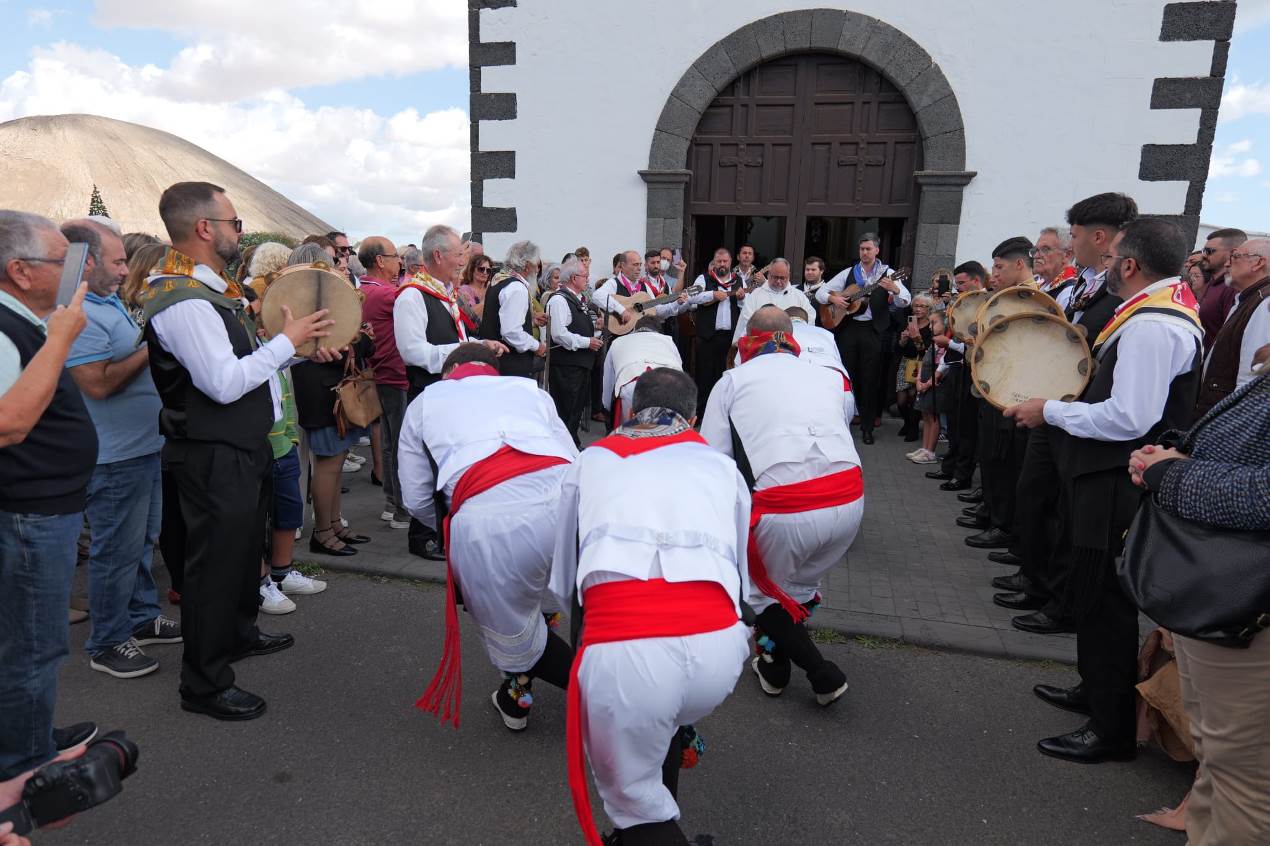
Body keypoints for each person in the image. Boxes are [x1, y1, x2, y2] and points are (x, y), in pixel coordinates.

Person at [1006, 217, 1204, 763]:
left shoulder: (1152, 325)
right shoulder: (1154, 313)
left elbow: (1130, 417)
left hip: (1115, 482)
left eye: (1114, 255)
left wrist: (1049, 410)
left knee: (1104, 601)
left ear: (1131, 264)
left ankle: (1111, 727)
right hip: (1105, 478)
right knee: (1092, 594)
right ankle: (1095, 690)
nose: (1106, 263)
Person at [141, 181, 333, 721]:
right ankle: (202, 683)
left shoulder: (210, 290)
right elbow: (224, 384)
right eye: (235, 223)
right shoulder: (181, 300)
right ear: (206, 229)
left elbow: (252, 366)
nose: (239, 232)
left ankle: (240, 634)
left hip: (239, 445)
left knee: (242, 551)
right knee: (213, 568)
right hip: (212, 451)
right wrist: (286, 344)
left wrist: (298, 355)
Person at [550, 366, 751, 845]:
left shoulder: (588, 461)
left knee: (634, 805)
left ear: (627, 409)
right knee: (663, 718)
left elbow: (563, 578)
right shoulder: (721, 466)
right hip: (719, 649)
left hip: (624, 652)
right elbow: (741, 569)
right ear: (695, 416)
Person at [399, 343, 577, 732]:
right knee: (543, 598)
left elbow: (414, 497)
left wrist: (455, 527)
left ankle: (607, 699)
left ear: (449, 372)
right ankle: (516, 701)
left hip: (489, 519)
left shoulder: (426, 402)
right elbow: (572, 455)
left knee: (514, 626)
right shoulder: (530, 390)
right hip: (566, 501)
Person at [1128, 365, 1270, 845]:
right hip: (1223, 593)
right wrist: (1173, 451)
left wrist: (1170, 472)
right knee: (1219, 754)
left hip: (1246, 604)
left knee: (1245, 779)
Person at [701, 305, 860, 706]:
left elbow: (714, 460)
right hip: (849, 499)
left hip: (788, 508)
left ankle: (820, 672)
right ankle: (773, 665)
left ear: (748, 340)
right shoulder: (826, 377)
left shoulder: (733, 381)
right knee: (796, 587)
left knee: (758, 593)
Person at [1009, 193, 1137, 636]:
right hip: (1060, 405)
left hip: (1079, 412)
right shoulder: (1085, 281)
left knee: (1065, 512)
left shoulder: (1123, 293)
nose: (1068, 246)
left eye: (1074, 237)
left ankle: (1057, 597)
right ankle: (1039, 580)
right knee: (1036, 494)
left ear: (1099, 238)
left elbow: (1129, 408)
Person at [0, 210, 98, 780]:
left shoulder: (24, 321)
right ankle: (25, 766)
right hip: (30, 514)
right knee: (34, 645)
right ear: (18, 270)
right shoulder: (8, 327)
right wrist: (60, 340)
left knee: (30, 640)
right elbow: (9, 424)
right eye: (60, 261)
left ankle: (28, 734)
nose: (71, 273)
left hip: (43, 507)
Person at [61, 219, 179, 679]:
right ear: (86, 263)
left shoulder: (106, 301)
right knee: (117, 549)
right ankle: (108, 641)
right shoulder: (78, 314)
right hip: (113, 456)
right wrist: (153, 344)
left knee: (141, 542)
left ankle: (141, 616)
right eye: (117, 260)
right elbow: (97, 384)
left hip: (140, 447)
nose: (125, 268)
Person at [395, 225, 504, 559]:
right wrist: (460, 355)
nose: (464, 260)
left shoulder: (442, 292)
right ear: (439, 255)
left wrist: (477, 345)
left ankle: (444, 529)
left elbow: (451, 339)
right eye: (459, 253)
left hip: (451, 393)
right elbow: (413, 352)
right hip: (428, 393)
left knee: (447, 462)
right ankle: (422, 535)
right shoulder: (412, 295)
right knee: (427, 465)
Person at [284, 243, 374, 559]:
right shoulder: (309, 307)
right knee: (327, 464)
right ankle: (323, 531)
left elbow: (358, 341)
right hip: (322, 391)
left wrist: (359, 340)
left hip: (327, 388)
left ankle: (333, 523)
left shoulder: (295, 306)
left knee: (333, 463)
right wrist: (359, 339)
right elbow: (349, 344)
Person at [963, 237, 1034, 552]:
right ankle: (991, 511)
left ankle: (1002, 523)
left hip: (1013, 387)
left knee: (1004, 458)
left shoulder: (1033, 297)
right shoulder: (1005, 296)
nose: (994, 273)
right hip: (994, 382)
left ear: (1020, 264)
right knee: (990, 453)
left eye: (999, 266)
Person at [815, 233, 911, 444]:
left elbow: (905, 301)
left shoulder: (889, 274)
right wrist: (834, 298)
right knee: (847, 377)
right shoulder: (850, 272)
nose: (865, 253)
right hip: (849, 329)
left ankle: (867, 427)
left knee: (870, 380)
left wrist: (894, 289)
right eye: (862, 249)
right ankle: (842, 424)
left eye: (868, 249)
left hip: (874, 331)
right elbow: (820, 293)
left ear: (877, 250)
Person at [357, 237, 410, 530]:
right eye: (394, 256)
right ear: (380, 261)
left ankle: (392, 503)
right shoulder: (388, 294)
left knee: (390, 443)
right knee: (400, 444)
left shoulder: (363, 290)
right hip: (395, 373)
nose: (398, 261)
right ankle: (401, 507)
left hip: (380, 373)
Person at [1193, 237, 1270, 418]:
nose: (1227, 264)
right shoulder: (1248, 298)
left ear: (1258, 263)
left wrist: (1229, 428)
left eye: (1235, 256)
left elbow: (1250, 379)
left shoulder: (1264, 302)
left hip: (1224, 419)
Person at [929, 262, 986, 492]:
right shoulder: (961, 302)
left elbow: (978, 345)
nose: (958, 287)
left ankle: (962, 475)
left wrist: (949, 343)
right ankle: (950, 467)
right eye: (957, 283)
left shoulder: (986, 303)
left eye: (962, 283)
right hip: (956, 365)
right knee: (954, 421)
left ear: (976, 281)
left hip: (972, 367)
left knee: (966, 425)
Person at [546, 257, 602, 445]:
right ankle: (565, 448)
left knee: (575, 409)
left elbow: (576, 327)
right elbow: (559, 334)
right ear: (572, 278)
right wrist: (587, 342)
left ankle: (571, 443)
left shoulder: (577, 298)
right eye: (584, 275)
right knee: (567, 410)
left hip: (579, 364)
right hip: (566, 366)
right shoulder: (559, 300)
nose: (587, 279)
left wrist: (595, 328)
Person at [686, 248, 746, 409]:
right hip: (707, 337)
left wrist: (741, 299)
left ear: (730, 262)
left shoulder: (739, 280)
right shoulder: (703, 278)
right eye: (719, 261)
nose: (722, 264)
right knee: (703, 376)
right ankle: (701, 411)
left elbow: (746, 307)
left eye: (725, 261)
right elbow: (691, 297)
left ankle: (724, 410)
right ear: (714, 262)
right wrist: (712, 295)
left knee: (727, 375)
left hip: (729, 338)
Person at [602, 315, 683, 426]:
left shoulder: (618, 341)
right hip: (668, 385)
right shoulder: (667, 340)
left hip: (632, 385)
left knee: (631, 435)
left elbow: (608, 378)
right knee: (664, 436)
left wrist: (607, 407)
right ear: (659, 331)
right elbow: (680, 372)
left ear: (635, 329)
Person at [479, 240, 544, 378]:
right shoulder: (516, 288)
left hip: (496, 362)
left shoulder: (499, 280)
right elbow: (511, 332)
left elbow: (500, 320)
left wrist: (530, 321)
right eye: (535, 265)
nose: (537, 270)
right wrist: (536, 345)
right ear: (527, 266)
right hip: (510, 365)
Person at [730, 258, 813, 343]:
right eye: (775, 277)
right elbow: (745, 322)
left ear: (788, 276)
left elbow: (809, 318)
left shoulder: (798, 296)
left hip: (790, 347)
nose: (778, 281)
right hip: (761, 346)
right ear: (769, 275)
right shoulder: (756, 295)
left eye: (782, 278)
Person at [1197, 228, 1245, 351]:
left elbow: (1228, 337)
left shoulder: (1232, 287)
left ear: (1232, 253)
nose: (1203, 255)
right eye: (1203, 250)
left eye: (1209, 251)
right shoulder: (1212, 283)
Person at [895, 293, 934, 447]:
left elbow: (927, 352)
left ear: (929, 309)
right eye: (915, 306)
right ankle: (907, 423)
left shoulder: (932, 325)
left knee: (914, 397)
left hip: (923, 364)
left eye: (922, 306)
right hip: (906, 363)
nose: (917, 309)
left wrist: (916, 337)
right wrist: (902, 340)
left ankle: (912, 428)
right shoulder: (908, 322)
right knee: (901, 401)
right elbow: (897, 350)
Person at [785, 305, 847, 378]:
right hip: (832, 372)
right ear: (806, 320)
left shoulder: (781, 333)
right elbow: (837, 358)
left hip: (797, 372)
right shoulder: (826, 333)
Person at [1032, 226, 1078, 301]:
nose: (1036, 256)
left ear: (1067, 255)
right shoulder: (1040, 285)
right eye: (1036, 250)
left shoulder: (1069, 292)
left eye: (1045, 250)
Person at [457, 253, 494, 320]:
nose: (485, 273)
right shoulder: (464, 289)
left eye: (488, 270)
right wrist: (485, 301)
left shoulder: (491, 288)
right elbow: (469, 315)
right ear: (472, 270)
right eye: (481, 269)